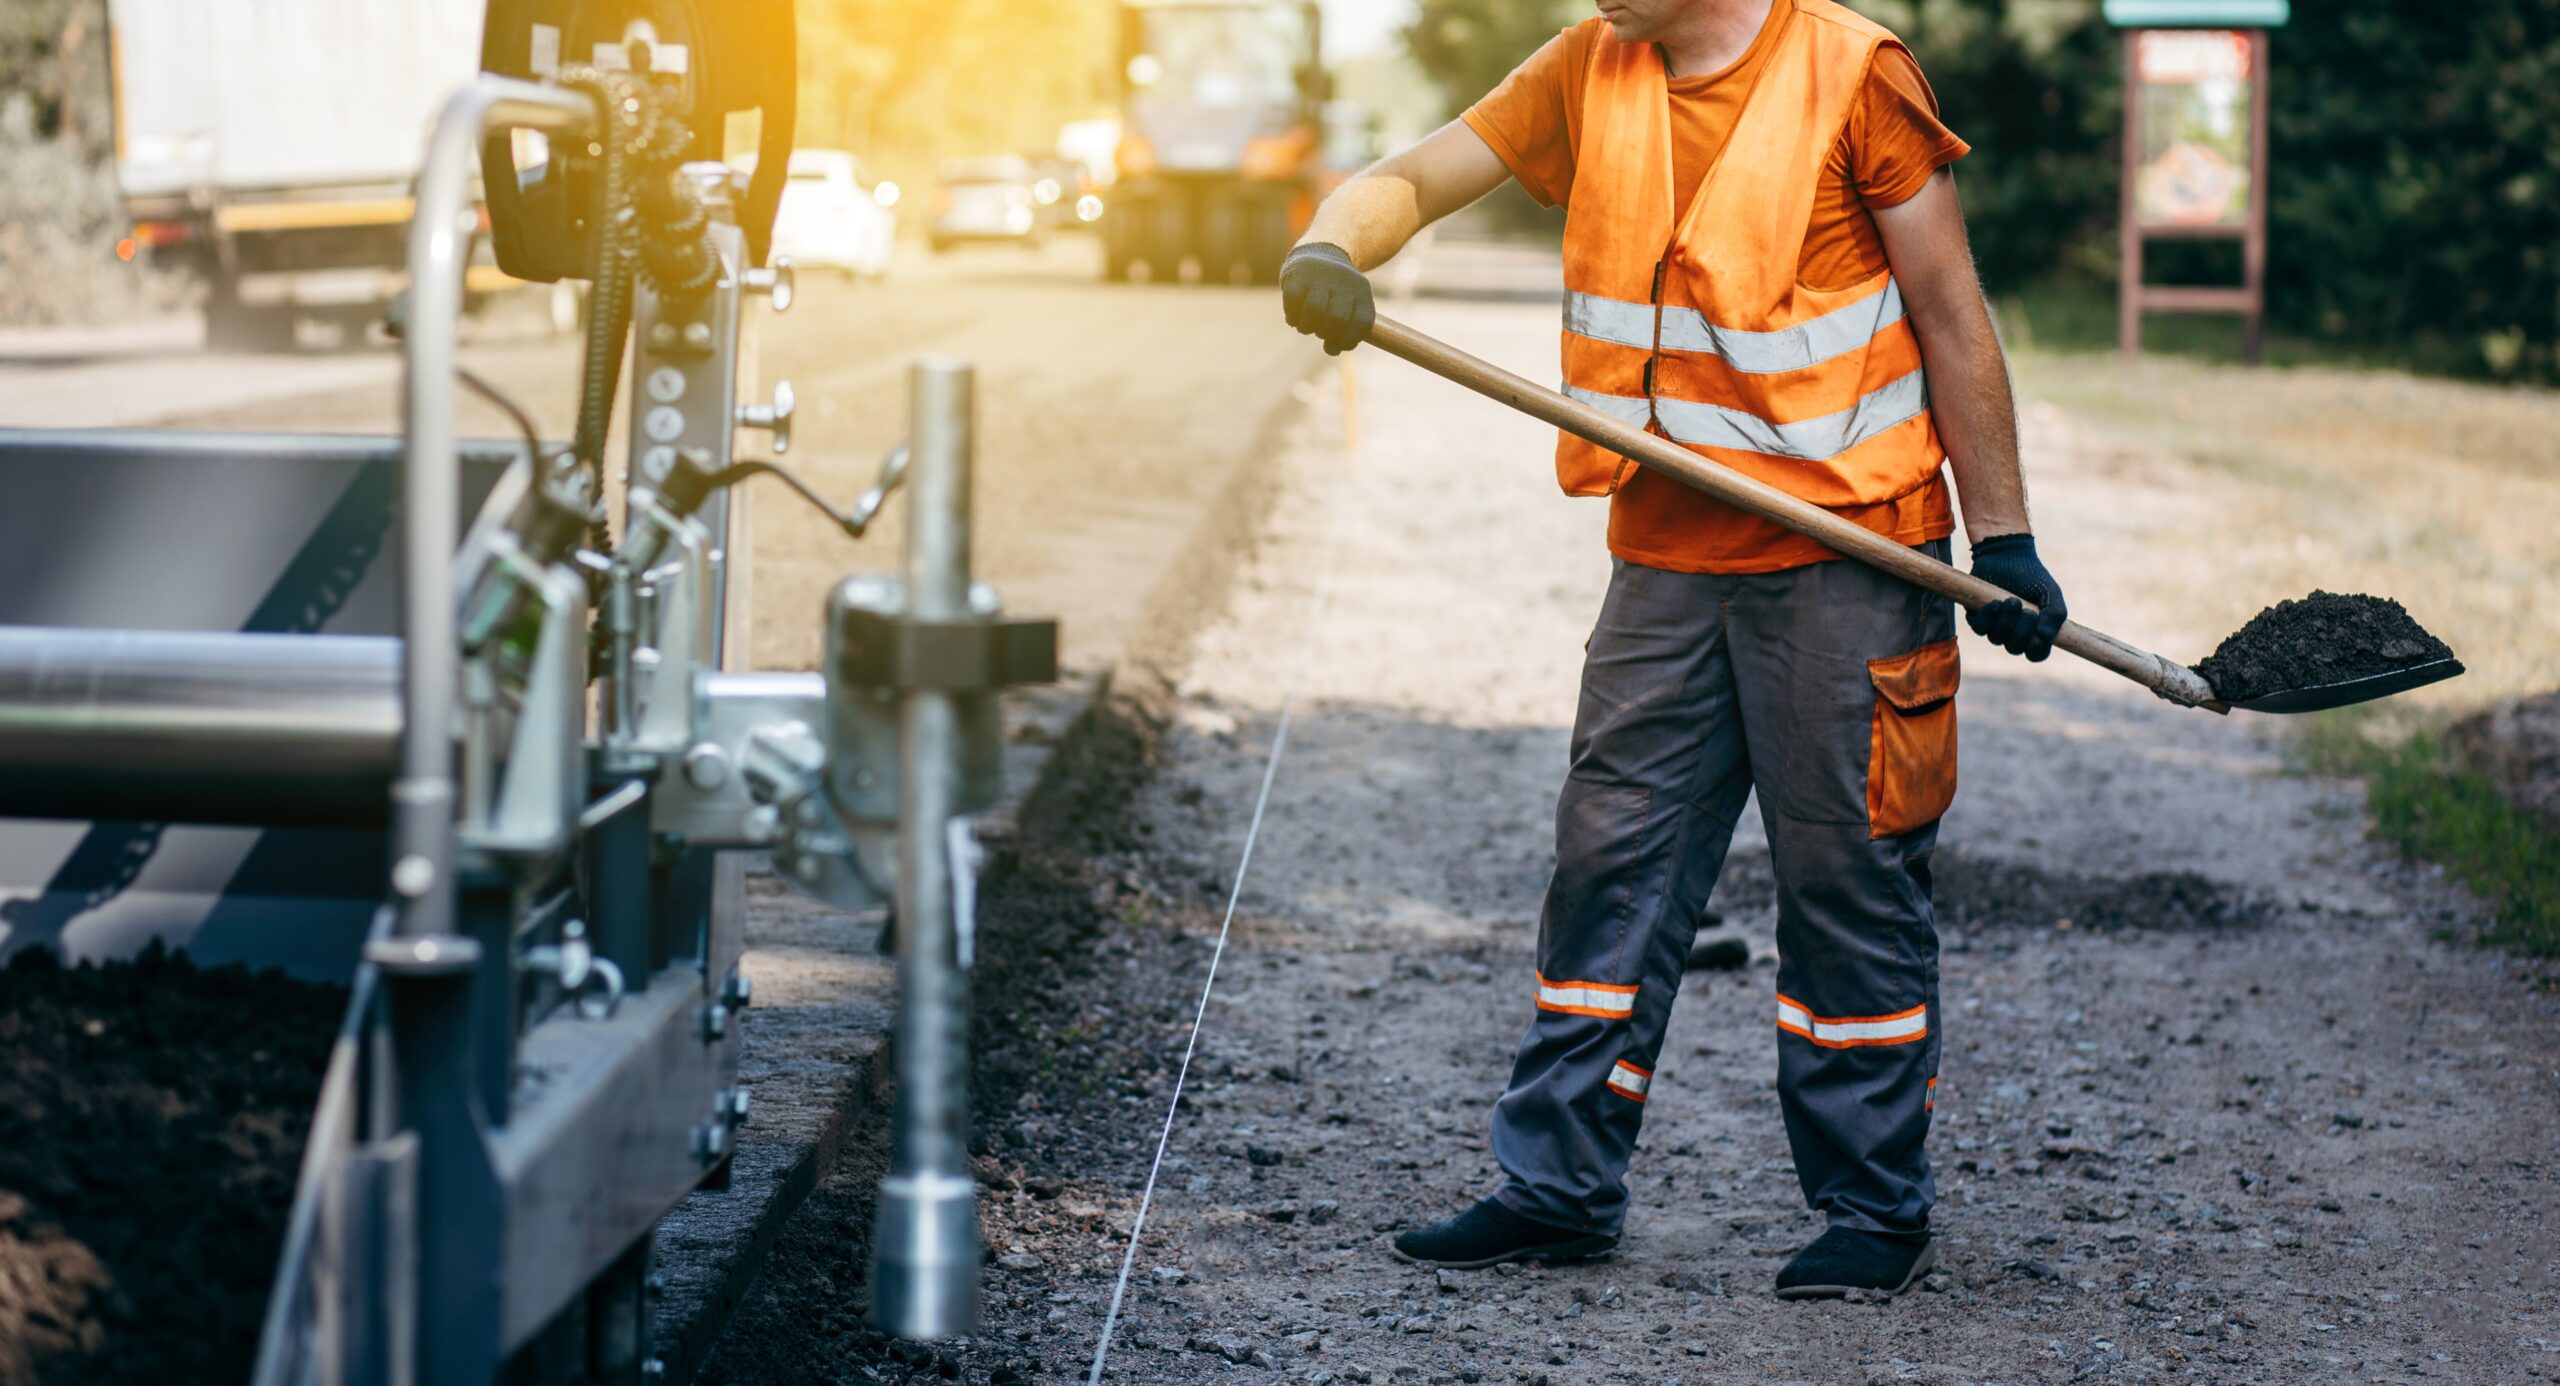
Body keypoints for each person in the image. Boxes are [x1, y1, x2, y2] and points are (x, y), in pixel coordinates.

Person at [1277, 0, 2068, 1299]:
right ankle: (1558, 1183)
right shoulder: (1593, 64)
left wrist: (2007, 538)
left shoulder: (1853, 73)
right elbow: (1412, 177)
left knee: (1847, 886)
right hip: (1665, 562)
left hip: (1848, 561)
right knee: (1609, 866)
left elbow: (1949, 306)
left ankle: (1874, 1206)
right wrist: (1326, 244)